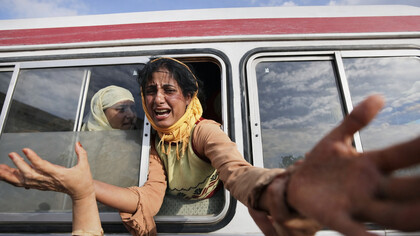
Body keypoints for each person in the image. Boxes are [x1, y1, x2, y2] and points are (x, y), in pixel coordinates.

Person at [0, 57, 419, 236]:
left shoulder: (204, 131)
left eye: (169, 90)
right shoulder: (152, 142)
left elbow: (237, 171)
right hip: (173, 199)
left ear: (187, 97)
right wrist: (73, 185)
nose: (157, 99)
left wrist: (282, 188)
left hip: (206, 198)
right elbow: (146, 196)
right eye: (149, 90)